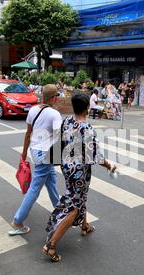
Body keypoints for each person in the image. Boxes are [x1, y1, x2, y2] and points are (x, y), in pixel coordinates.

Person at [43, 93, 116, 262]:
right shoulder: (87, 129)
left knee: (79, 197)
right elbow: (96, 156)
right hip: (79, 172)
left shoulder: (67, 121)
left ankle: (84, 226)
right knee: (74, 207)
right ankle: (51, 245)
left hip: (67, 167)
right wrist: (110, 165)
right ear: (87, 108)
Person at [9, 84, 62, 236]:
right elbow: (58, 138)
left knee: (51, 181)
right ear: (53, 98)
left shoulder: (33, 110)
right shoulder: (54, 114)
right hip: (46, 155)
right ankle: (17, 221)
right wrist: (59, 159)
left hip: (35, 151)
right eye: (56, 96)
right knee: (34, 189)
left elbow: (28, 134)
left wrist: (24, 153)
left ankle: (59, 213)